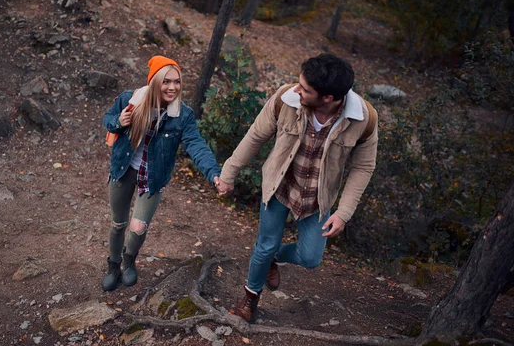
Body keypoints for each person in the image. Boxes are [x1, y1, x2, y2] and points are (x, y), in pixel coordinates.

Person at [216, 53, 378, 322]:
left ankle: (273, 258)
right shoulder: (286, 100)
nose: (296, 90)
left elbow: (363, 168)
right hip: (280, 187)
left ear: (328, 97)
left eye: (305, 89)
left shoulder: (364, 119)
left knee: (310, 257)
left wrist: (344, 212)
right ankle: (249, 299)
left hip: (317, 199)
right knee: (264, 245)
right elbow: (256, 136)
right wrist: (229, 172)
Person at [102, 55, 222, 291]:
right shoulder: (130, 99)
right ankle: (113, 265)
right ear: (155, 81)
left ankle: (128, 261)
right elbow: (108, 120)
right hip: (123, 169)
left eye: (177, 81)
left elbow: (196, 145)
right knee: (118, 224)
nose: (172, 87)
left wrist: (214, 173)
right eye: (166, 81)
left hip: (152, 176)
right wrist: (119, 120)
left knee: (138, 227)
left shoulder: (183, 115)